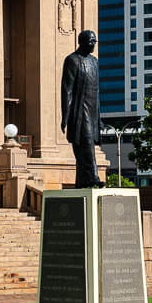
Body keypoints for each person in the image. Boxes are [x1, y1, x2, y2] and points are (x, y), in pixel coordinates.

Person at [60, 30, 103, 189]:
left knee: (88, 144)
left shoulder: (94, 62)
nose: (93, 44)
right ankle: (93, 177)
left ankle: (82, 182)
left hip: (92, 111)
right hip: (79, 110)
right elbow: (67, 90)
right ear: (82, 41)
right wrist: (66, 116)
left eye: (95, 41)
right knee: (86, 145)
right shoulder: (72, 60)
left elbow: (97, 91)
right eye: (91, 41)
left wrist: (99, 117)